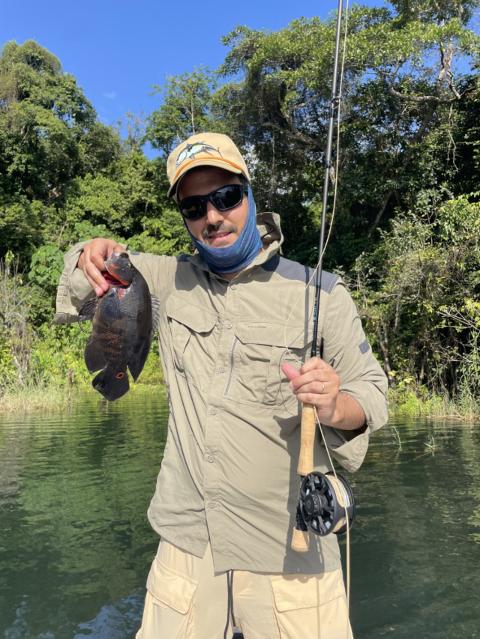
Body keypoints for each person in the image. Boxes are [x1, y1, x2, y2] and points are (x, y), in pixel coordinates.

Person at [55, 132, 388, 639]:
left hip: (291, 549)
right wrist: (89, 254)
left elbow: (372, 392)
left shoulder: (321, 291)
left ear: (250, 194)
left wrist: (336, 406)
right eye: (194, 207)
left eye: (226, 197)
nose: (212, 216)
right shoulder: (163, 281)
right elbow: (85, 284)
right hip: (187, 551)